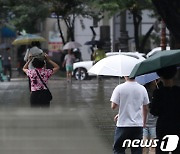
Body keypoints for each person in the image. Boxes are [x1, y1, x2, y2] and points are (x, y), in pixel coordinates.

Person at [110, 76, 149, 154]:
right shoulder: (142, 89)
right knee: (136, 150)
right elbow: (145, 108)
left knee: (119, 148)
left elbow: (113, 106)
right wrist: (143, 123)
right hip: (137, 125)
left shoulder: (119, 88)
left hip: (123, 125)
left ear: (125, 75)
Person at [150, 66, 180, 154]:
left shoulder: (158, 93)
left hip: (163, 126)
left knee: (162, 149)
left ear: (160, 76)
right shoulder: (178, 92)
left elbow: (154, 112)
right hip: (177, 125)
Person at [143, 81, 158, 154]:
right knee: (146, 145)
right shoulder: (146, 92)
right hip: (147, 123)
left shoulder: (157, 91)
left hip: (151, 123)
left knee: (149, 145)